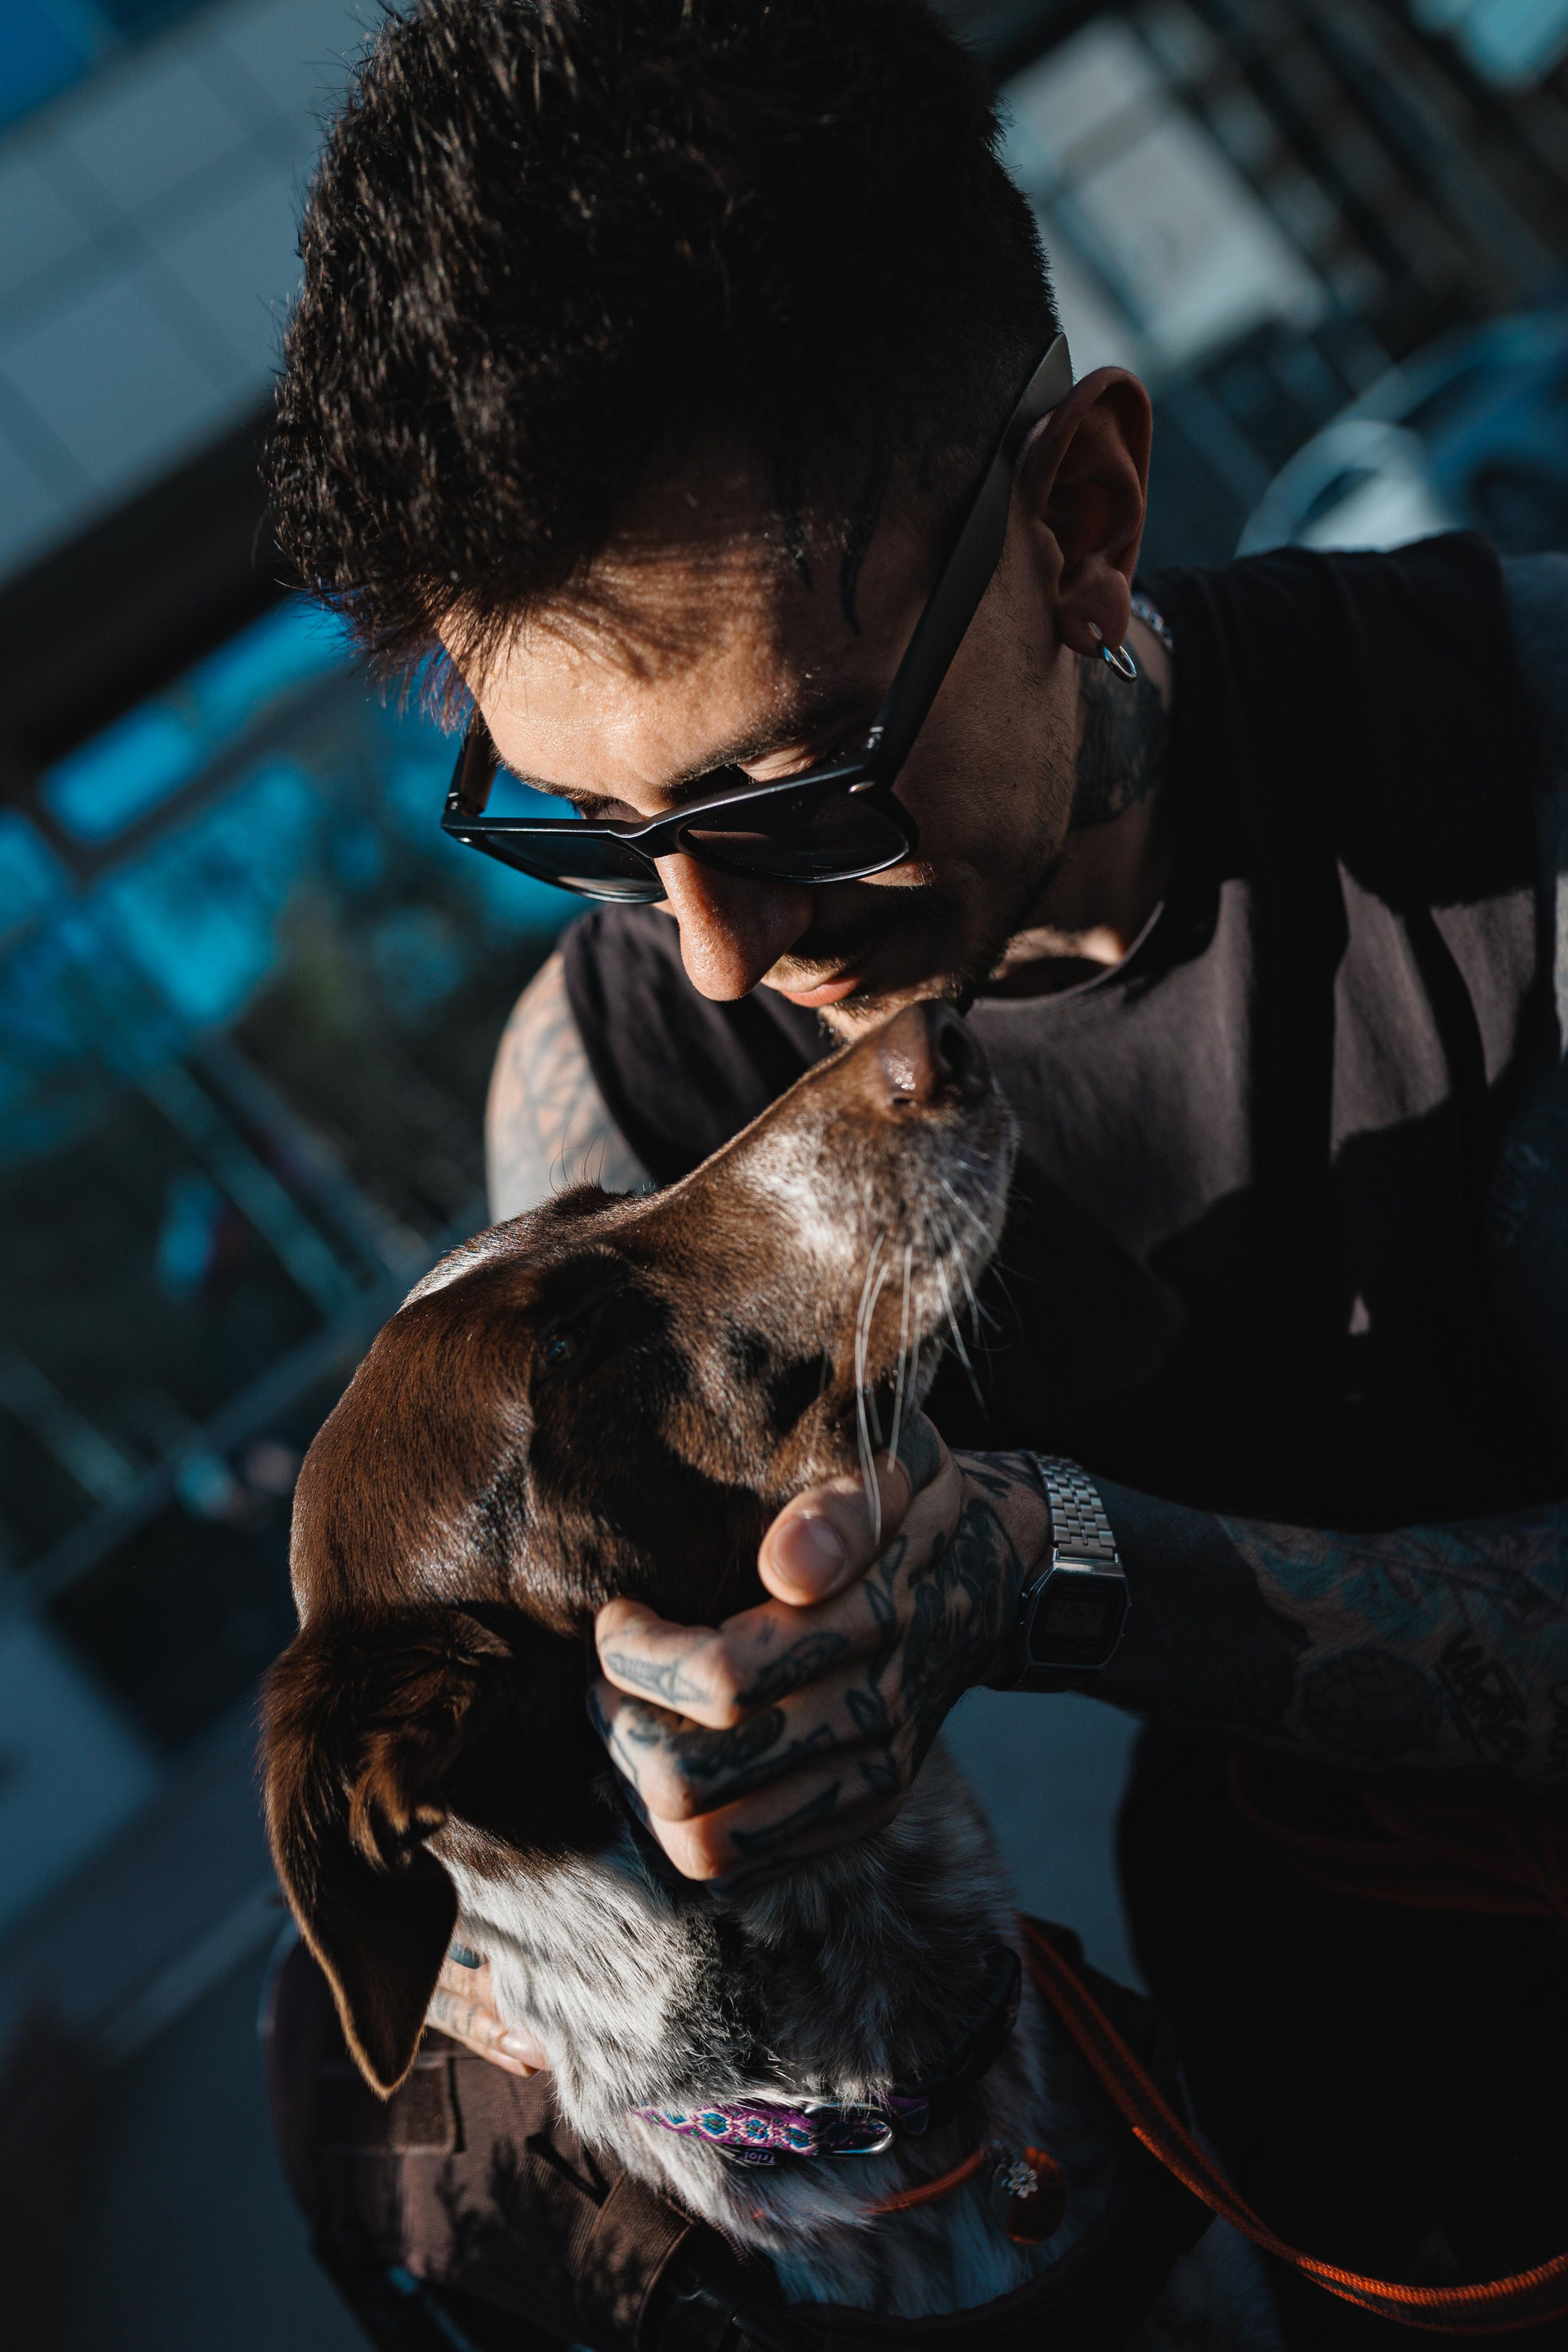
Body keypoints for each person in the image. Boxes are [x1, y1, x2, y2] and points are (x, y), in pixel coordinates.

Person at [265, 0, 1568, 2340]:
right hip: (1332, 2093)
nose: (715, 945)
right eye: (589, 832)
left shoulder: (1522, 809)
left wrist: (1059, 1580)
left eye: (788, 787)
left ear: (1082, 523)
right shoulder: (616, 1081)